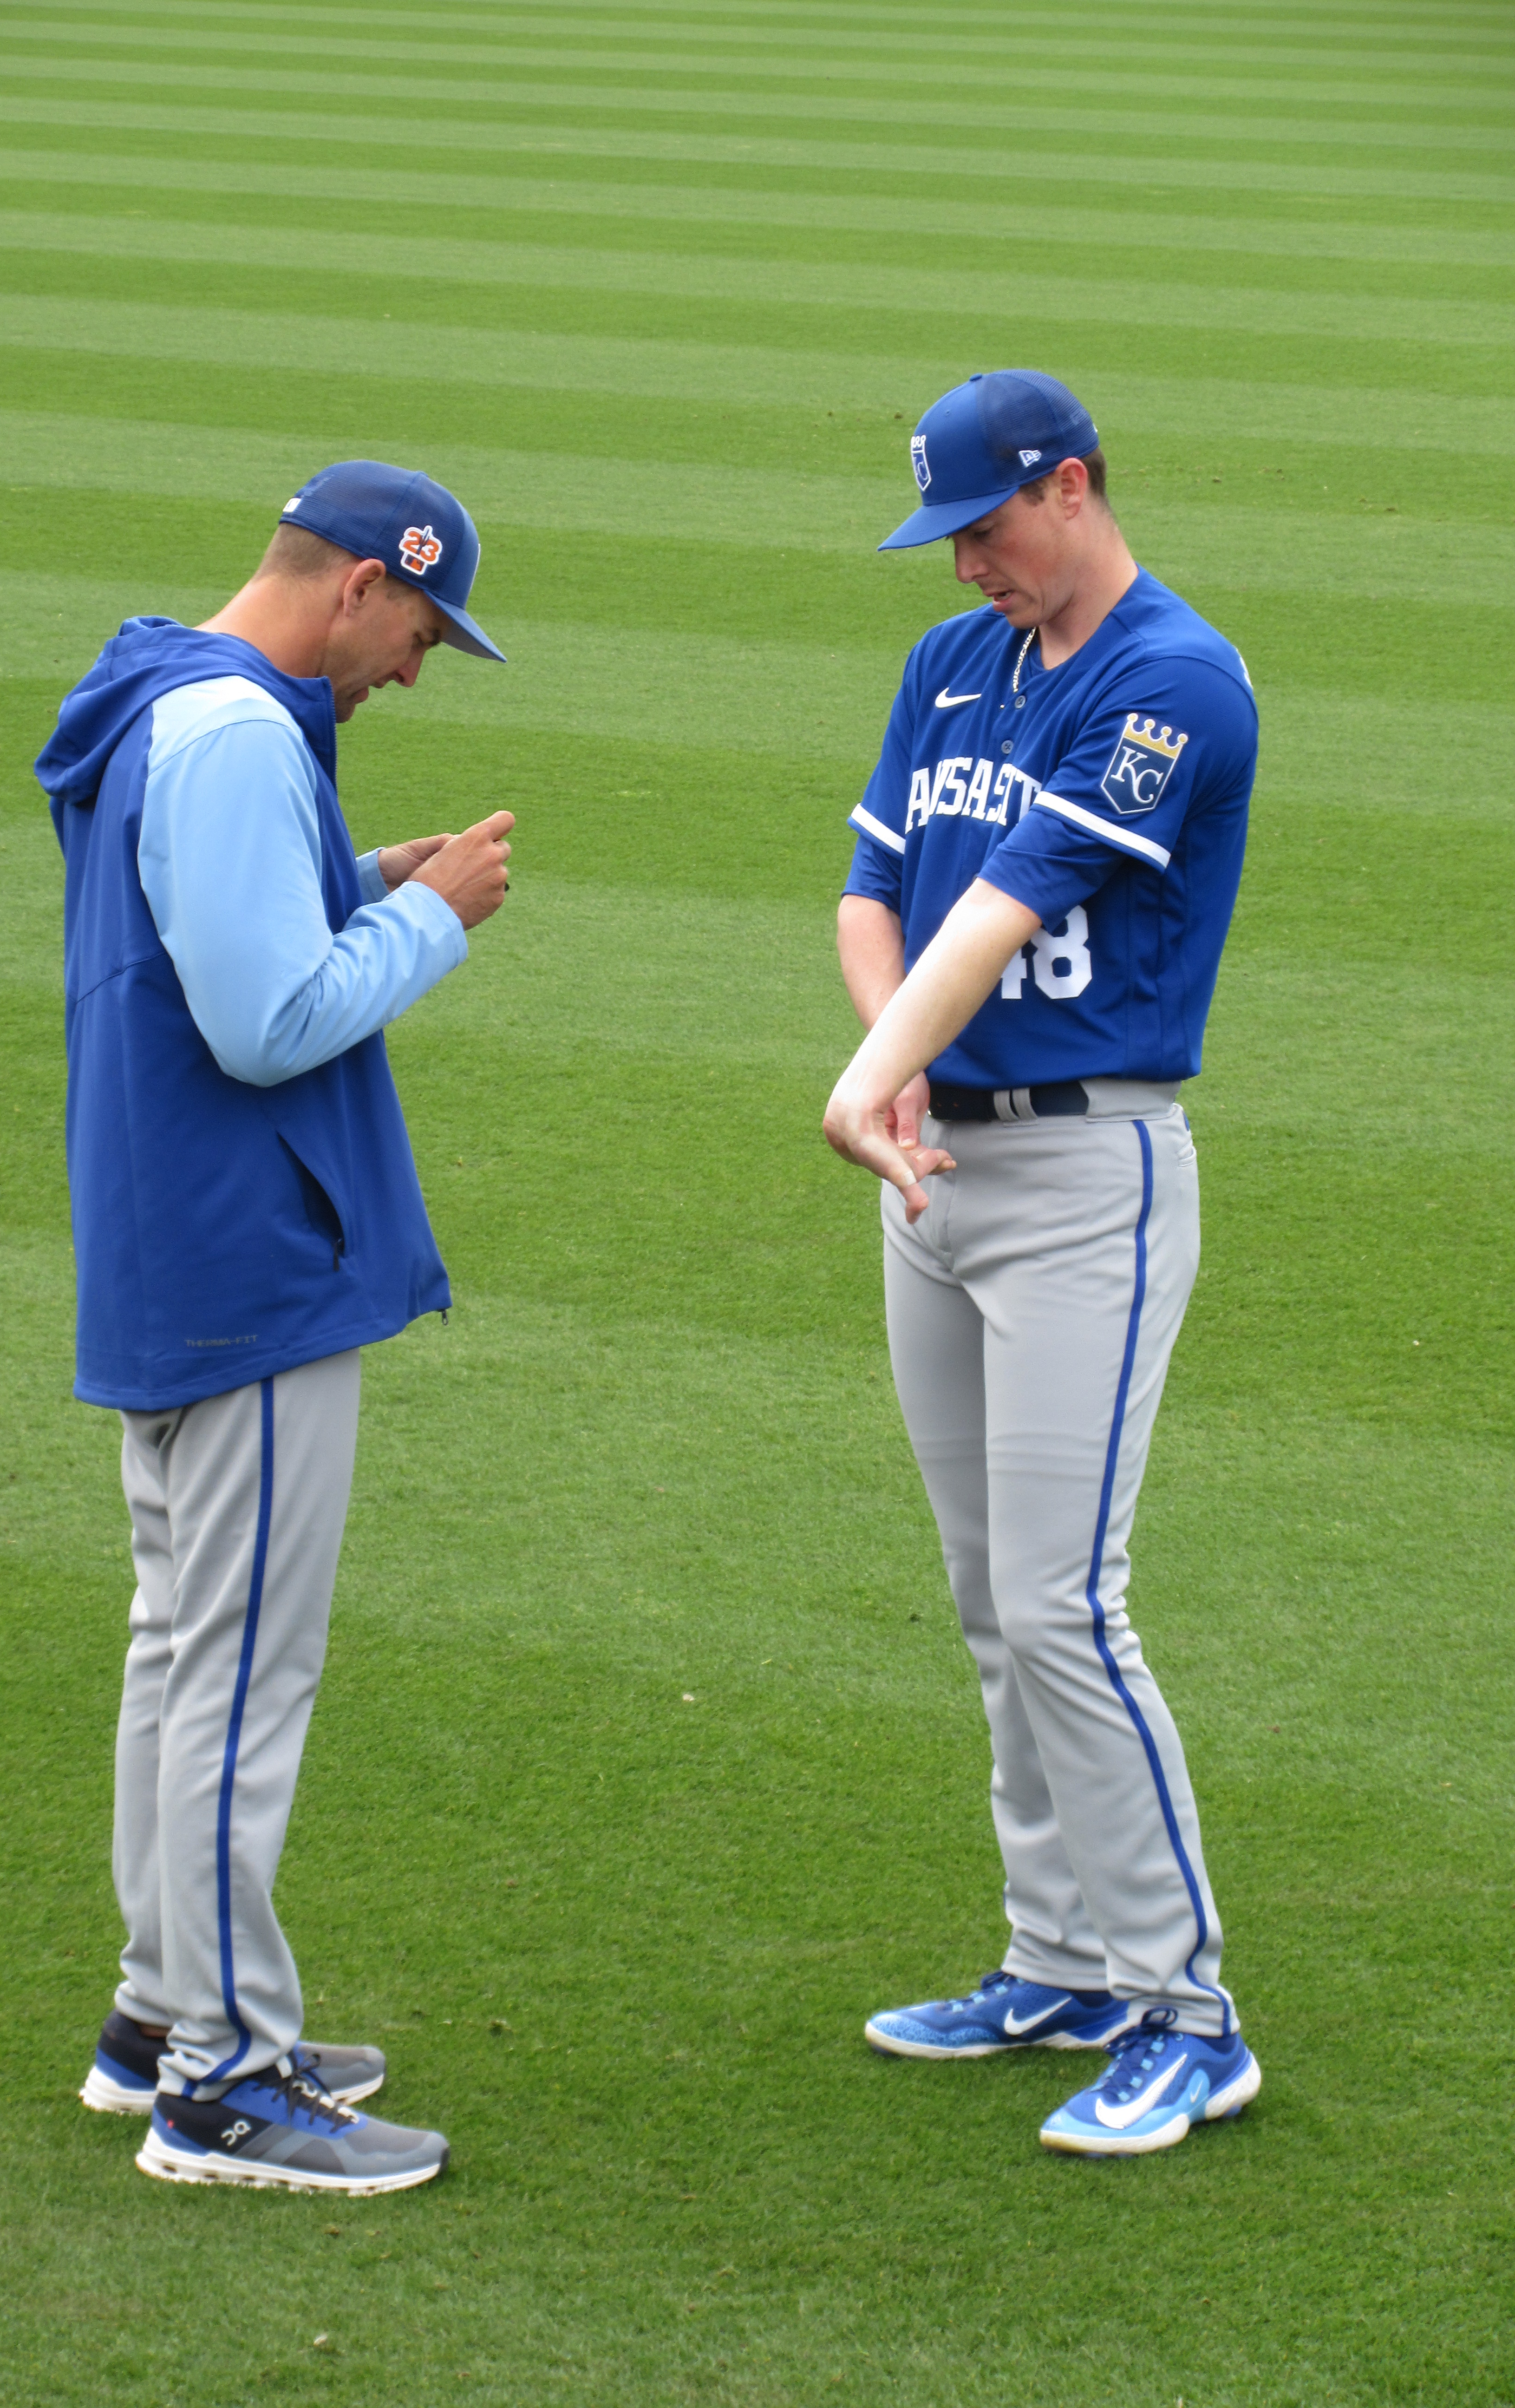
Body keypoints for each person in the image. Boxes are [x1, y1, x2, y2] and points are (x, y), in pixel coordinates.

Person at [33, 461, 513, 2195]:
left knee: (183, 1652)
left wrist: (362, 871)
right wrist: (428, 920)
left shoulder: (163, 692)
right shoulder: (238, 732)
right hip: (251, 1256)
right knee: (238, 1676)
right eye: (420, 634)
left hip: (174, 1242)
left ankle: (161, 2015)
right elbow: (264, 1024)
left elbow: (196, 937)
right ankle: (223, 2086)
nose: (412, 671)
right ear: (358, 585)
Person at [822, 372, 1260, 2157]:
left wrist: (866, 1076)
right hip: (936, 1169)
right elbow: (877, 895)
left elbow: (1009, 902)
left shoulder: (1175, 681)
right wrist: (896, 1066)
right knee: (992, 1595)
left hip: (1088, 1176)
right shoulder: (953, 665)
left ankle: (1188, 2011)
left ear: (1072, 486)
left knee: (1069, 1601)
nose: (965, 568)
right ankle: (1062, 1960)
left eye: (985, 528)